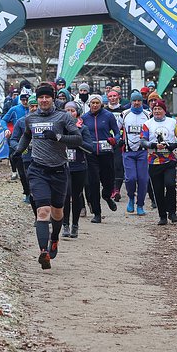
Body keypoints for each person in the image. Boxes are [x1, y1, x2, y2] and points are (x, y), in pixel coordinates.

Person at [13, 83, 83, 269]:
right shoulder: (31, 118)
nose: (44, 100)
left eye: (47, 97)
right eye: (41, 97)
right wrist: (18, 151)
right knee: (42, 211)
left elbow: (78, 139)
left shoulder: (63, 117)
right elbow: (26, 136)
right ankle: (43, 252)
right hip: (38, 169)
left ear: (53, 98)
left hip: (59, 169)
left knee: (57, 212)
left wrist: (58, 137)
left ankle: (54, 239)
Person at [143, 99, 177, 225]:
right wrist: (153, 145)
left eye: (159, 109)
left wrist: (175, 144)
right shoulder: (147, 124)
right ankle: (162, 216)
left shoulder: (172, 122)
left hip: (169, 160)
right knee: (158, 189)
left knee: (170, 184)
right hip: (154, 161)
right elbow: (142, 141)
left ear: (164, 110)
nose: (157, 111)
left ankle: (172, 213)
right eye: (155, 109)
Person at [81, 93, 120, 223]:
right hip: (91, 154)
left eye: (97, 103)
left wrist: (114, 139)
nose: (95, 105)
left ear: (101, 104)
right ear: (89, 104)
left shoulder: (108, 116)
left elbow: (117, 132)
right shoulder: (85, 118)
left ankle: (107, 196)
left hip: (106, 153)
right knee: (93, 183)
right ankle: (97, 214)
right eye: (93, 103)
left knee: (108, 181)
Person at [63, 101, 95, 239]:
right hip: (63, 166)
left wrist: (77, 141)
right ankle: (65, 224)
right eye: (67, 110)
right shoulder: (60, 127)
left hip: (79, 166)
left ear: (77, 113)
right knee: (65, 195)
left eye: (72, 110)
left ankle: (75, 225)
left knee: (76, 196)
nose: (70, 113)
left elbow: (90, 148)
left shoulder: (83, 129)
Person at [121, 92, 151, 216]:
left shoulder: (148, 115)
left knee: (143, 179)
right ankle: (131, 198)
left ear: (142, 102)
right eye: (134, 101)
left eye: (139, 100)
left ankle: (140, 204)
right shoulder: (125, 114)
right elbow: (117, 129)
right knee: (130, 178)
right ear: (131, 102)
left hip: (143, 152)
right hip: (128, 152)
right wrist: (116, 139)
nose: (137, 103)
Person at [9, 95, 38, 204]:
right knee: (24, 175)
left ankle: (36, 195)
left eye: (36, 106)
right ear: (28, 107)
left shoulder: (44, 120)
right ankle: (27, 192)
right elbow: (13, 139)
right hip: (24, 154)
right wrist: (19, 148)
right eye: (32, 106)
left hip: (40, 153)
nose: (34, 108)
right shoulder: (21, 122)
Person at [105, 89, 128, 201]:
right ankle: (110, 188)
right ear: (107, 97)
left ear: (118, 97)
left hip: (119, 142)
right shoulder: (104, 111)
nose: (113, 98)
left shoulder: (124, 111)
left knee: (119, 165)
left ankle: (117, 189)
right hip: (106, 141)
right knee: (108, 166)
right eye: (110, 96)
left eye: (115, 96)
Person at [2, 90, 30, 181]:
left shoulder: (33, 108)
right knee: (13, 154)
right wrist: (6, 129)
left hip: (30, 137)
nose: (25, 102)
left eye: (27, 100)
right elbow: (3, 120)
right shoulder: (14, 109)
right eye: (23, 100)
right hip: (16, 136)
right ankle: (14, 171)